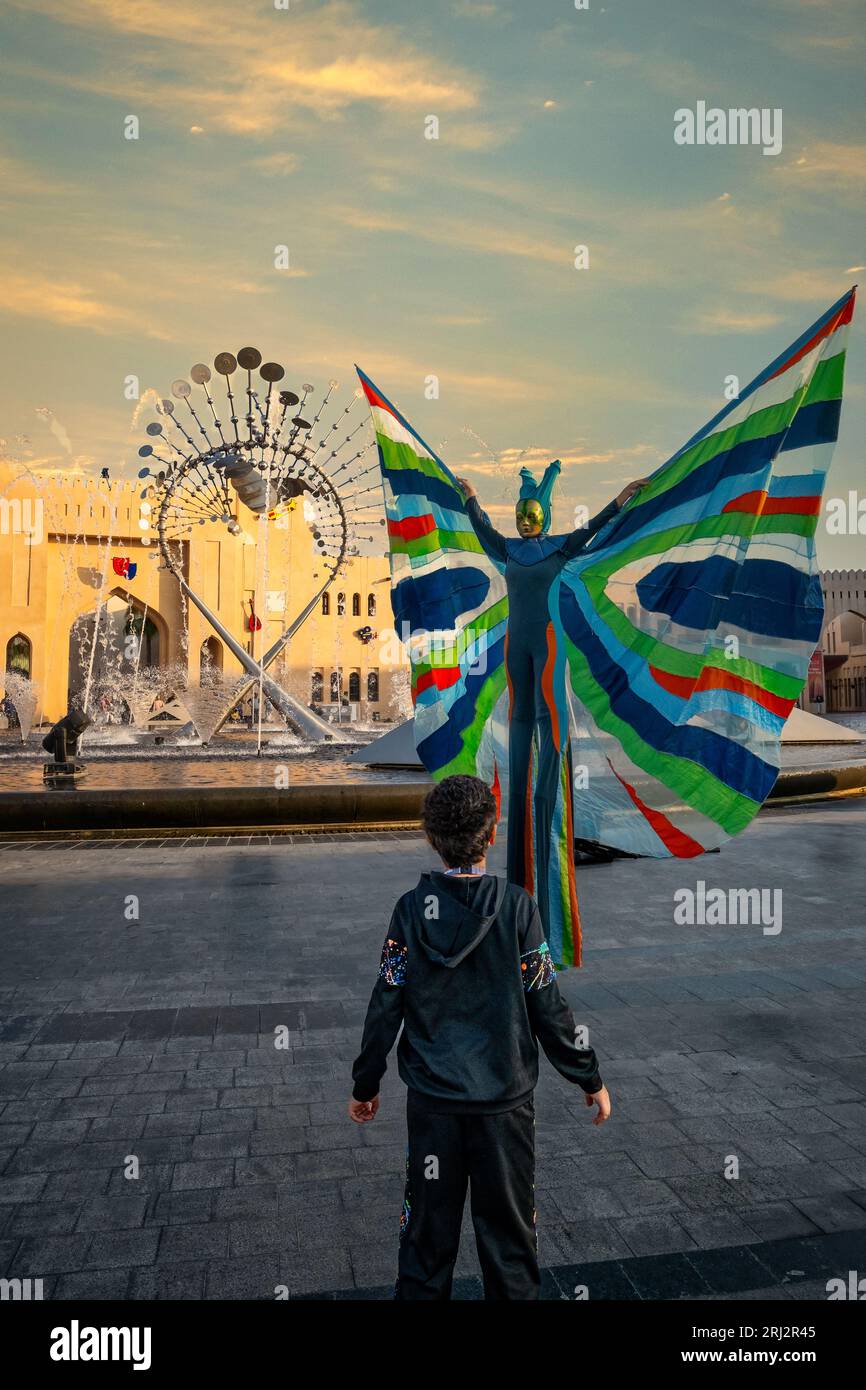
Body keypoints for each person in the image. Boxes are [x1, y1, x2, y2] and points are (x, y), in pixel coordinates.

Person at [349, 774, 612, 1301]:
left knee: (425, 1243)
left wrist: (366, 1083)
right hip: (503, 1108)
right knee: (510, 1246)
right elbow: (548, 1006)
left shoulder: (409, 911)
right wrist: (587, 1075)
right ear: (491, 836)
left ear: (430, 838)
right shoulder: (518, 909)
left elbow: (386, 1002)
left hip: (434, 1107)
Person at [454, 465, 648, 969]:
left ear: (543, 516)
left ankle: (551, 833)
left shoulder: (561, 547)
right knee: (519, 747)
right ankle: (519, 889)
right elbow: (481, 529)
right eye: (521, 513)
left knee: (549, 741)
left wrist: (622, 497)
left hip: (546, 650)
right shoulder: (507, 549)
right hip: (517, 654)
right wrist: (471, 496)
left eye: (532, 513)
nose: (524, 521)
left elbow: (597, 528)